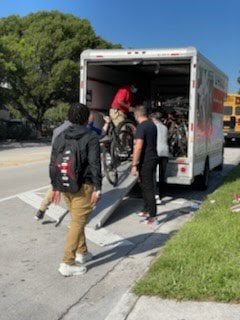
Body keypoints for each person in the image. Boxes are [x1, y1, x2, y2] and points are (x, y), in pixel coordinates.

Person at [50, 103, 102, 276]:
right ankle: (67, 262)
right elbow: (95, 163)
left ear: (70, 117)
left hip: (66, 184)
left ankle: (83, 253)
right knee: (78, 222)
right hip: (84, 185)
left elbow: (53, 163)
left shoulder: (61, 135)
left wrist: (55, 186)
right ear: (87, 118)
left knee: (76, 219)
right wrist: (98, 187)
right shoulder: (91, 136)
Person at [34, 111, 108, 221]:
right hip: (74, 166)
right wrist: (107, 123)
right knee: (75, 191)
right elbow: (101, 134)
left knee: (55, 186)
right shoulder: (83, 129)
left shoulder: (58, 130)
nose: (89, 121)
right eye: (89, 119)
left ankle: (41, 209)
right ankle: (75, 219)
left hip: (59, 163)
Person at [131, 105, 158, 225]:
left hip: (146, 160)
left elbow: (139, 146)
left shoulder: (141, 126)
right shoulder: (152, 125)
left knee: (148, 188)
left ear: (137, 115)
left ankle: (153, 216)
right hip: (152, 158)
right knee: (144, 185)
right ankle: (147, 210)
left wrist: (134, 164)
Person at [151, 112, 169, 204]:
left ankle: (156, 195)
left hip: (156, 152)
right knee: (162, 175)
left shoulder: (153, 127)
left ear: (154, 119)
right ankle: (161, 194)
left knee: (154, 174)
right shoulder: (165, 127)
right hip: (165, 152)